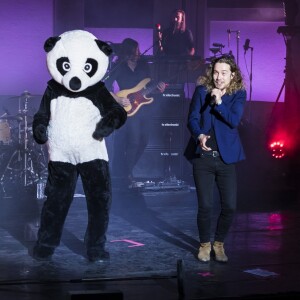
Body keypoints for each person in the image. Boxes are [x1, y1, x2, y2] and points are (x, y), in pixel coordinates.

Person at [186, 54, 246, 262]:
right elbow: (192, 118)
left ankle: (219, 244)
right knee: (206, 206)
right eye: (216, 72)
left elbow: (233, 121)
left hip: (225, 158)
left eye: (223, 73)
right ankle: (204, 244)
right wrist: (199, 135)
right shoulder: (201, 91)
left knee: (229, 206)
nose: (218, 77)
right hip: (203, 157)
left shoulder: (238, 94)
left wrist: (219, 102)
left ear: (232, 75)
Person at [105, 38, 165, 188]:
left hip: (145, 109)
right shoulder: (119, 66)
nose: (138, 53)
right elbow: (106, 87)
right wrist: (118, 100)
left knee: (144, 141)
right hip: (129, 109)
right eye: (134, 51)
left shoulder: (144, 64)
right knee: (134, 141)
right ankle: (127, 175)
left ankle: (126, 171)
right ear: (127, 53)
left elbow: (150, 87)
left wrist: (159, 89)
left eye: (138, 50)